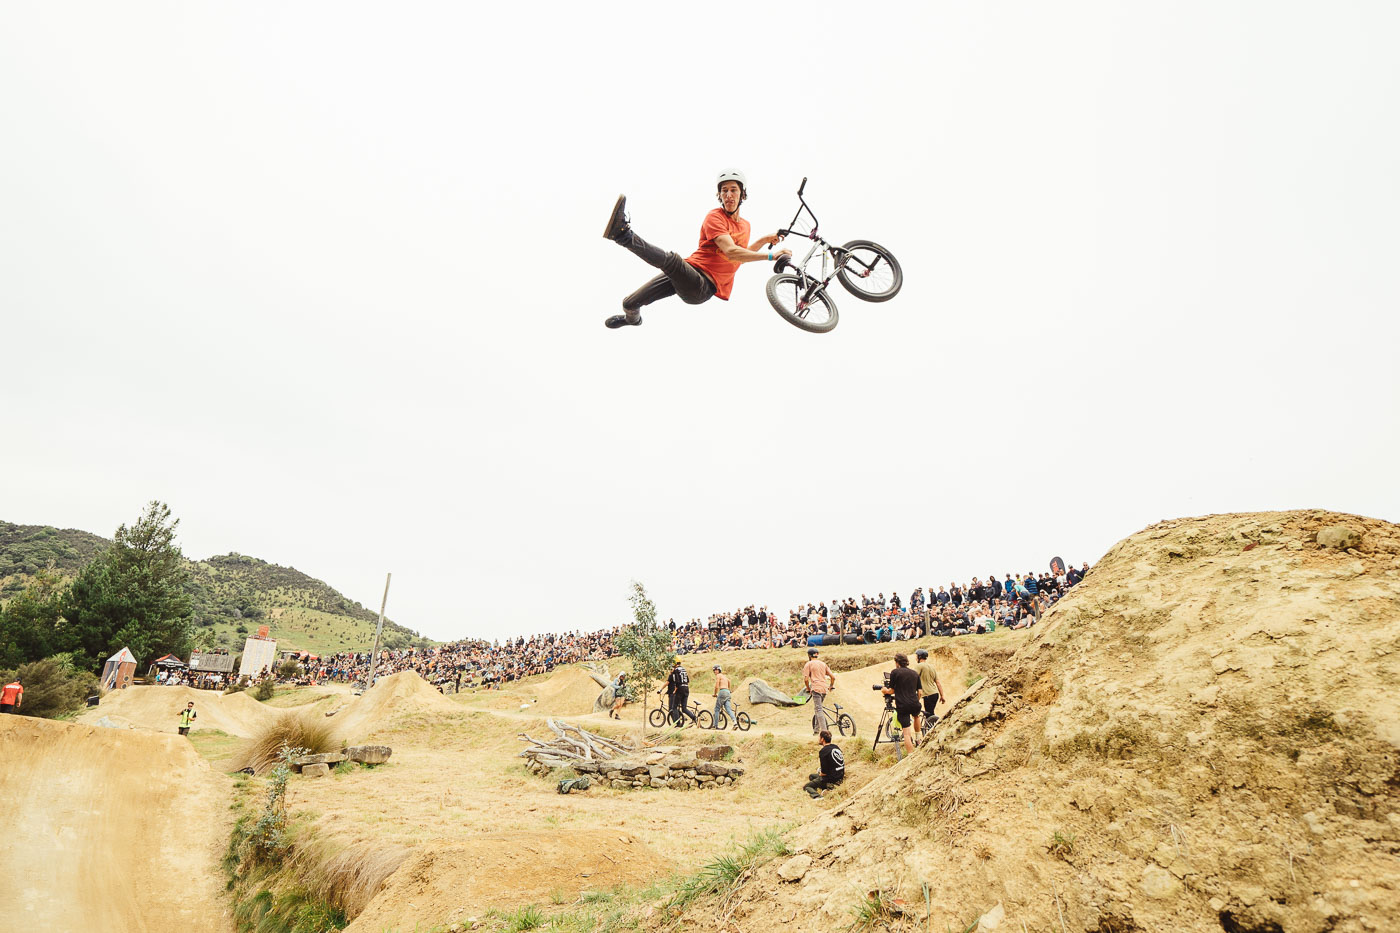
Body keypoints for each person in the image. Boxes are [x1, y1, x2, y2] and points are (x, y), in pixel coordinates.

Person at [601, 170, 790, 329]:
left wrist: (765, 240)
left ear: (743, 194)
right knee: (630, 303)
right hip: (690, 270)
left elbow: (740, 256)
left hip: (702, 287)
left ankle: (623, 235)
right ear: (720, 195)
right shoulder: (715, 217)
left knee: (673, 261)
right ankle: (632, 319)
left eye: (734, 190)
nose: (729, 195)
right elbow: (732, 252)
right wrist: (771, 255)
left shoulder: (745, 226)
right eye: (724, 191)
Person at [882, 653, 921, 757]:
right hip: (915, 703)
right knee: (916, 716)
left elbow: (891, 690)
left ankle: (910, 755)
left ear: (897, 662)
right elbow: (920, 692)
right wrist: (915, 700)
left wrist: (884, 690)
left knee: (907, 733)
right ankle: (918, 738)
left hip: (903, 705)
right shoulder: (914, 673)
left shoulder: (895, 672)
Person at [912, 648, 947, 736]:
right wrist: (942, 695)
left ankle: (933, 732)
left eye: (916, 656)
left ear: (920, 657)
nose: (916, 658)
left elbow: (913, 677)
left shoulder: (919, 666)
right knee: (930, 713)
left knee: (929, 715)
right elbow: (938, 683)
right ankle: (930, 731)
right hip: (935, 693)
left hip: (927, 694)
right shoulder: (931, 667)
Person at [802, 647, 836, 734]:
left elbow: (806, 679)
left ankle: (824, 731)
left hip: (816, 688)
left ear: (809, 655)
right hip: (824, 688)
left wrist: (808, 688)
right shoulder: (823, 664)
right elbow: (833, 677)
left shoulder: (808, 664)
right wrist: (831, 686)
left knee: (819, 709)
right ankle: (816, 730)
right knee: (818, 708)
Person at [803, 730, 845, 799]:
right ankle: (825, 788)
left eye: (819, 737)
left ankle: (818, 796)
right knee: (811, 776)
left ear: (822, 739)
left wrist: (820, 773)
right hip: (840, 776)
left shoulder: (823, 751)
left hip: (831, 778)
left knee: (807, 787)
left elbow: (824, 773)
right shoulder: (835, 747)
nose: (818, 739)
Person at [661, 660, 697, 727]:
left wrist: (675, 690)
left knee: (674, 707)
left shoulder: (676, 670)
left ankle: (678, 724)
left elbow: (677, 682)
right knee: (684, 708)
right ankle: (694, 717)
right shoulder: (684, 670)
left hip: (680, 689)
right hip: (686, 688)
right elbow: (688, 680)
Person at [710, 665, 738, 729]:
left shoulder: (718, 676)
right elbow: (729, 681)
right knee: (728, 709)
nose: (715, 672)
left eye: (716, 670)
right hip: (727, 692)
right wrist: (728, 689)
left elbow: (717, 686)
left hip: (722, 691)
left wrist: (715, 694)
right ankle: (735, 723)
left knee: (717, 709)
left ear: (719, 671)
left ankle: (715, 725)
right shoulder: (724, 676)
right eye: (714, 671)